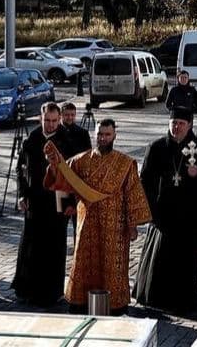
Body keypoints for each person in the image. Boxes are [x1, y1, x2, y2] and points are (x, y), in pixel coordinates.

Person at [44, 118, 152, 315]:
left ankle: (115, 305)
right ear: (94, 135)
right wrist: (53, 164)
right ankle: (80, 302)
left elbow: (133, 194)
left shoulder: (126, 164)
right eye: (99, 134)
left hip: (115, 226)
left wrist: (133, 224)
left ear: (114, 136)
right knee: (83, 263)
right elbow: (63, 177)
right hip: (87, 223)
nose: (102, 138)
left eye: (107, 134)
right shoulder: (81, 160)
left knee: (113, 267)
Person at [135, 107, 197, 314]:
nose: (176, 127)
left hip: (189, 217)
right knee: (160, 258)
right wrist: (150, 211)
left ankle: (184, 301)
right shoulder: (157, 147)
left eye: (181, 123)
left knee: (185, 262)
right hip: (163, 214)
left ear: (190, 125)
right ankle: (155, 298)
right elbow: (145, 182)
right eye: (174, 123)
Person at [11, 103, 79, 307]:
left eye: (53, 121)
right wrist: (22, 194)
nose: (50, 125)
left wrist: (70, 203)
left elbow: (73, 175)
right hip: (35, 200)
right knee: (31, 244)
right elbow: (20, 169)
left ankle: (51, 291)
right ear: (40, 118)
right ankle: (27, 288)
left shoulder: (67, 141)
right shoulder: (31, 140)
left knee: (54, 245)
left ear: (59, 120)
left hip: (58, 200)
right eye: (46, 120)